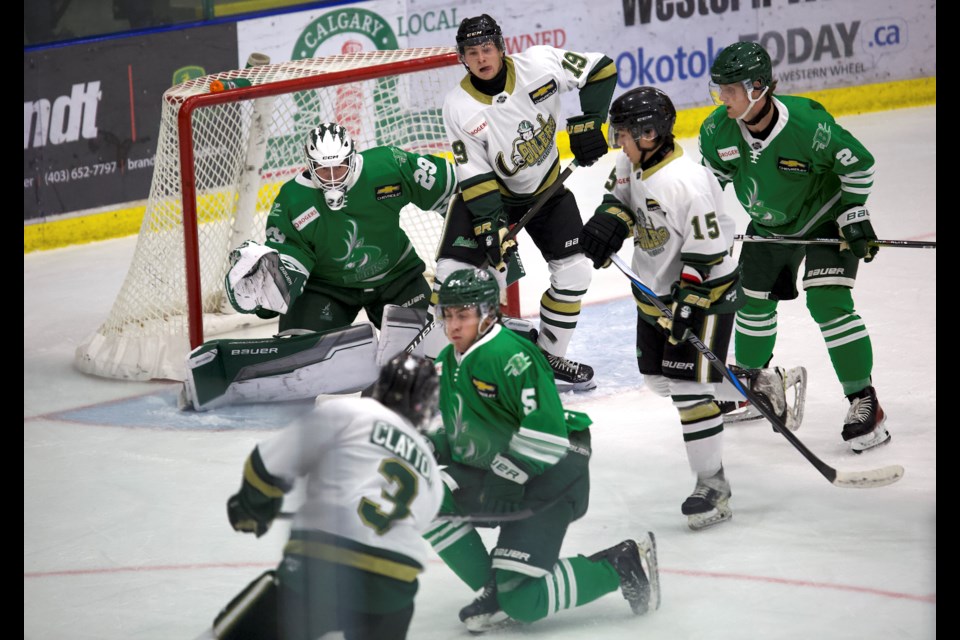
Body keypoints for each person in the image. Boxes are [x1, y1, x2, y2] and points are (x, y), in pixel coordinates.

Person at [423, 267, 660, 633]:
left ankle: (618, 564)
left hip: (554, 470)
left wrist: (508, 473)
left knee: (524, 602)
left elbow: (547, 432)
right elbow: (461, 426)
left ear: (487, 314)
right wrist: (431, 445)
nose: (453, 326)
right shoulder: (447, 361)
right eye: (448, 315)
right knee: (425, 496)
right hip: (502, 468)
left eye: (463, 315)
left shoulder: (510, 355)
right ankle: (494, 589)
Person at [178, 122, 456, 410]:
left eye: (340, 167)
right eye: (324, 169)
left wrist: (474, 227)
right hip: (327, 289)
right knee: (299, 359)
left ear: (352, 157)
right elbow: (288, 268)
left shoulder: (388, 165)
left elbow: (452, 188)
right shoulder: (292, 201)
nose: (333, 178)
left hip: (397, 278)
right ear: (309, 165)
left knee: (434, 349)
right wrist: (266, 292)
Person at [699, 41, 890, 453]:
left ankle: (864, 401)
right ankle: (758, 385)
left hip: (823, 217)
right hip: (767, 224)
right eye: (720, 89)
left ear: (758, 87)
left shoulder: (807, 125)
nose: (722, 98)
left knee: (828, 303)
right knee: (750, 303)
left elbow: (859, 164)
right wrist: (697, 227)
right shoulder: (717, 130)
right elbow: (708, 186)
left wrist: (853, 213)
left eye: (730, 89)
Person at [578, 86, 747, 529]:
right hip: (654, 295)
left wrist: (688, 304)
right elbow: (621, 201)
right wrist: (609, 223)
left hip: (704, 294)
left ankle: (713, 485)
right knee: (658, 381)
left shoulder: (685, 183)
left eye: (623, 135)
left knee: (689, 391)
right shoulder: (631, 163)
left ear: (649, 134)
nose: (617, 143)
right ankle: (755, 385)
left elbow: (706, 254)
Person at [434, 14, 619, 393]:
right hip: (491, 199)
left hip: (549, 193)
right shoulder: (459, 106)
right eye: (472, 52)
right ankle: (460, 365)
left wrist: (591, 122)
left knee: (575, 275)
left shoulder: (541, 64)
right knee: (458, 278)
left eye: (487, 48)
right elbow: (476, 173)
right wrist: (489, 224)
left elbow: (601, 68)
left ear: (501, 47)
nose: (482, 58)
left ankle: (546, 358)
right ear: (462, 58)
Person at [207, 353, 444, 640]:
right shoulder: (430, 469)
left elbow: (265, 466)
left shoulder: (352, 412)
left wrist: (252, 507)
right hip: (394, 588)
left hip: (324, 565)